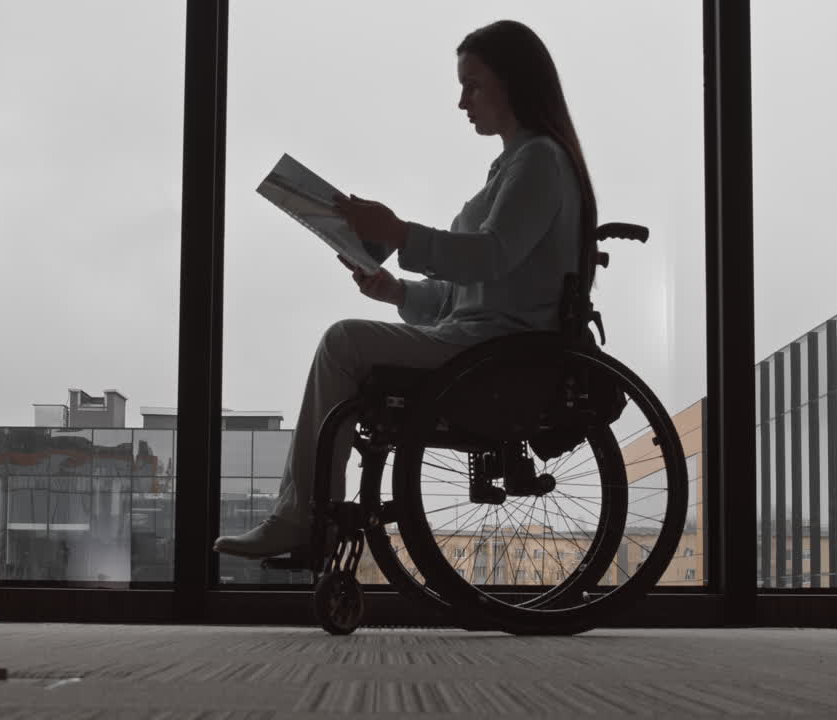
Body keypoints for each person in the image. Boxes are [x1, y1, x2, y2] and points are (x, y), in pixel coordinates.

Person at [213, 19, 598, 559]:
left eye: (474, 84)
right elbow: (471, 288)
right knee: (346, 343)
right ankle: (306, 515)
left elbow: (489, 257)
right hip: (482, 340)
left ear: (513, 82)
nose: (462, 101)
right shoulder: (516, 165)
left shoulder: (538, 161)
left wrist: (397, 232)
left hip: (497, 353)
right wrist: (396, 291)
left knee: (341, 344)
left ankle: (302, 517)